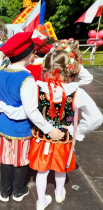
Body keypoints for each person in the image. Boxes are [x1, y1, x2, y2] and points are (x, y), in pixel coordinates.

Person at [0, 32, 64, 203]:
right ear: (28, 55)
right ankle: (18, 191)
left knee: (5, 159)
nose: (34, 54)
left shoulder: (1, 72)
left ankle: (4, 192)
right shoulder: (27, 78)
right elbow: (31, 111)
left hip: (3, 125)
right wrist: (50, 129)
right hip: (20, 128)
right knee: (20, 160)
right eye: (33, 52)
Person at [28, 50, 103, 210]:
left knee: (42, 171)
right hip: (64, 137)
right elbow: (96, 117)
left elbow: (31, 110)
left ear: (46, 68)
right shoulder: (76, 91)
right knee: (61, 168)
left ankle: (41, 202)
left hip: (42, 137)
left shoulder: (37, 88)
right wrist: (78, 130)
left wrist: (47, 127)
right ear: (69, 69)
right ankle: (59, 193)